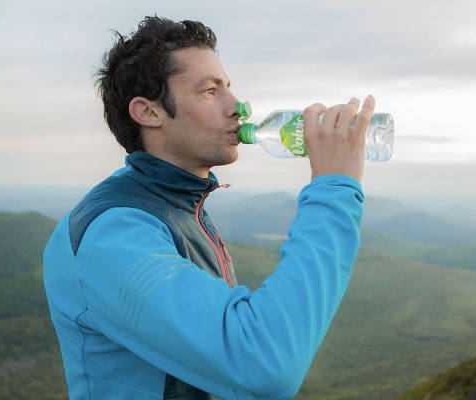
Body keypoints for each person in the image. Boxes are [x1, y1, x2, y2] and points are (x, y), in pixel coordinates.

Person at [43, 15, 374, 400]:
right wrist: (333, 187)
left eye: (229, 87)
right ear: (148, 112)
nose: (239, 107)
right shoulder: (113, 233)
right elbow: (263, 363)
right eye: (210, 91)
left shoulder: (179, 205)